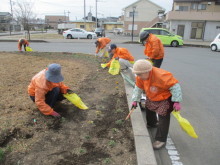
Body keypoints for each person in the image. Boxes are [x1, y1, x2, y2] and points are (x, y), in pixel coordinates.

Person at [131, 60, 182, 149]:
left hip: (165, 97)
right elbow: (138, 88)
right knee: (148, 106)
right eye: (137, 74)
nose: (138, 77)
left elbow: (175, 86)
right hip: (153, 95)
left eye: (140, 74)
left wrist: (176, 101)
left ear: (147, 71)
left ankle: (161, 139)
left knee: (163, 115)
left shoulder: (161, 75)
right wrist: (135, 100)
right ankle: (152, 123)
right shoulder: (140, 76)